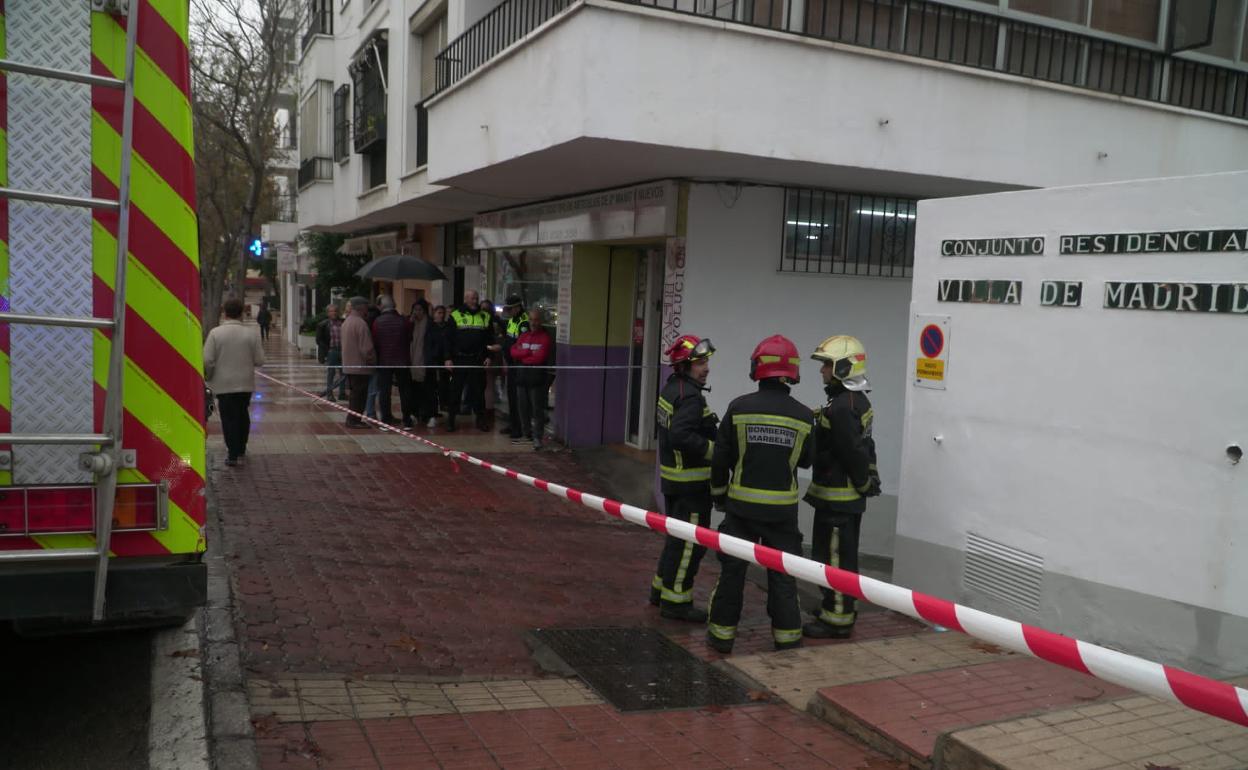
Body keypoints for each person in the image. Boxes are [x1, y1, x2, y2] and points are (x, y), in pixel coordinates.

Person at [707, 335, 813, 654]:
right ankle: (787, 638)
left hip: (741, 510)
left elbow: (721, 458)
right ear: (791, 372)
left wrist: (719, 495)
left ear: (758, 368)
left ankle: (722, 637)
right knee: (783, 576)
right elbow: (807, 460)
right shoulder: (805, 416)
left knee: (733, 572)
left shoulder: (739, 408)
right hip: (782, 513)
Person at [802, 335, 881, 640]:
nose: (822, 371)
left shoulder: (843, 407)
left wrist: (862, 482)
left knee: (833, 560)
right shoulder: (851, 401)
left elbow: (852, 451)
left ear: (844, 367)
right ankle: (836, 607)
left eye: (827, 365)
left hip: (838, 503)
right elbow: (865, 446)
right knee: (840, 558)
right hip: (841, 501)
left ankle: (837, 619)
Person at [650, 334, 718, 622]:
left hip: (673, 481)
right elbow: (681, 434)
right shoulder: (689, 397)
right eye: (700, 363)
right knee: (691, 543)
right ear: (685, 365)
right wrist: (715, 451)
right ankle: (677, 601)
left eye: (706, 362)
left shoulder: (671, 389)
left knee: (675, 539)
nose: (706, 368)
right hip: (691, 485)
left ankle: (660, 589)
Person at [203, 297, 265, 466]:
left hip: (223, 385)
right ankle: (241, 447)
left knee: (228, 418)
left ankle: (232, 452)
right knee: (242, 414)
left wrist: (209, 375)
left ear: (224, 313)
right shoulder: (251, 334)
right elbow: (260, 360)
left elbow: (207, 359)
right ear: (241, 313)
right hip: (245, 383)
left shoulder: (215, 333)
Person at [444, 290, 495, 432]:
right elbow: (447, 339)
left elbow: (490, 339)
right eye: (472, 298)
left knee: (479, 392)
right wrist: (447, 358)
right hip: (459, 359)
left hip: (477, 359)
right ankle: (451, 420)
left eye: (477, 298)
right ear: (465, 299)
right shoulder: (455, 315)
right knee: (455, 391)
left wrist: (489, 356)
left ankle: (481, 420)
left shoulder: (485, 316)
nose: (475, 301)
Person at [511, 307, 552, 451]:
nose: (533, 323)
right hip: (522, 375)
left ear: (540, 321)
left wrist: (523, 355)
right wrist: (528, 352)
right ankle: (526, 433)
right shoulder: (523, 336)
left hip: (536, 377)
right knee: (522, 407)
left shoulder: (545, 338)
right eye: (531, 320)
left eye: (536, 320)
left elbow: (540, 357)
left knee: (537, 408)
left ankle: (537, 437)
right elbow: (513, 352)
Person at [371, 295, 414, 428]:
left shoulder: (377, 322)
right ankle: (407, 420)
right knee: (405, 390)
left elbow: (375, 342)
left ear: (381, 306)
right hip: (403, 360)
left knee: (384, 391)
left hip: (384, 361)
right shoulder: (404, 321)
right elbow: (409, 338)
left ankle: (385, 420)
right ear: (394, 305)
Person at [499, 295, 531, 443]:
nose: (508, 311)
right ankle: (513, 424)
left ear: (518, 307)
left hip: (519, 365)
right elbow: (508, 340)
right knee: (511, 396)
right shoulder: (513, 320)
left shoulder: (524, 322)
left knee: (519, 398)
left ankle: (519, 428)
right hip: (511, 363)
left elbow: (521, 345)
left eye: (510, 309)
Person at [341, 296, 376, 428]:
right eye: (366, 306)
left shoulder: (347, 322)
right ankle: (354, 420)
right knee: (359, 395)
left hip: (349, 365)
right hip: (361, 366)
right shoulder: (361, 323)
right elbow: (367, 349)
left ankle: (353, 418)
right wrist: (372, 361)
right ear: (361, 307)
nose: (367, 309)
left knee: (354, 394)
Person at [407, 301, 437, 427]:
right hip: (412, 362)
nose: (417, 312)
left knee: (428, 390)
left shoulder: (430, 324)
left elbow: (435, 344)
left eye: (419, 309)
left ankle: (430, 415)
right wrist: (410, 323)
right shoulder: (410, 324)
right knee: (414, 390)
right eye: (415, 309)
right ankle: (415, 413)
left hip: (426, 363)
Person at [316, 303, 348, 401]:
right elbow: (319, 340)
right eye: (331, 311)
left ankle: (342, 393)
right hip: (332, 351)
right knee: (331, 373)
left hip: (343, 351)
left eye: (335, 311)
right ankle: (330, 393)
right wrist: (327, 350)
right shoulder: (323, 324)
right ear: (328, 313)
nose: (333, 313)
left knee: (343, 372)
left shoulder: (343, 322)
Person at [428, 305, 453, 427]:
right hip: (433, 361)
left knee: (444, 387)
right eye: (438, 312)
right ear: (434, 313)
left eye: (442, 313)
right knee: (432, 388)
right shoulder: (430, 327)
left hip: (444, 362)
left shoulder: (448, 327)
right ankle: (432, 412)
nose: (441, 315)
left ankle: (444, 407)